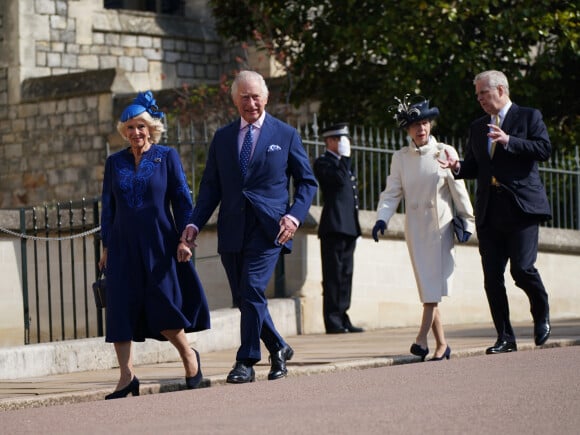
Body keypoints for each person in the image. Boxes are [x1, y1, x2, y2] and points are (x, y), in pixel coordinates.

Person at [181, 70, 318, 384]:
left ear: (266, 98)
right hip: (232, 228)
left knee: (252, 288)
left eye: (256, 96)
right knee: (244, 297)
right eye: (244, 97)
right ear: (235, 101)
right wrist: (193, 224)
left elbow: (307, 182)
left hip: (270, 227)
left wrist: (294, 215)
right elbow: (210, 188)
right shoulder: (223, 137)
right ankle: (278, 345)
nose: (251, 102)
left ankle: (246, 360)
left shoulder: (285, 135)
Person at [98, 91, 210, 399]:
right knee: (120, 308)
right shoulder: (114, 163)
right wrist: (106, 247)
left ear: (151, 128)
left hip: (160, 244)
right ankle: (126, 377)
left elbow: (182, 201)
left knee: (162, 304)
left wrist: (186, 238)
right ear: (124, 131)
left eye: (141, 127)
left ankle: (188, 355)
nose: (136, 133)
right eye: (130, 128)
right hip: (122, 247)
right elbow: (108, 209)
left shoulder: (167, 157)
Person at [438, 70, 552, 354]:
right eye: (477, 96)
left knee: (522, 270)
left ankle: (541, 311)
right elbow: (475, 167)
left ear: (501, 90)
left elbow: (543, 149)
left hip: (521, 209)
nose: (479, 100)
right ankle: (505, 337)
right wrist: (457, 167)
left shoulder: (528, 117)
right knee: (492, 277)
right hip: (490, 211)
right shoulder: (478, 127)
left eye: (483, 94)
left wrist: (509, 141)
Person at [372, 96, 475, 361]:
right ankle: (442, 344)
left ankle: (420, 340)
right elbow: (392, 192)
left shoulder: (445, 151)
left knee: (432, 288)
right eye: (416, 125)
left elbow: (459, 190)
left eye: (425, 123)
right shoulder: (401, 158)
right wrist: (382, 218)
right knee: (426, 287)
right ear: (407, 130)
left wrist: (468, 220)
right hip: (415, 230)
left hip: (440, 228)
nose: (422, 129)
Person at [313, 123, 364, 334]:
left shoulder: (343, 163)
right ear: (330, 141)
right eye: (341, 139)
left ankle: (343, 316)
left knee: (346, 274)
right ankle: (332, 320)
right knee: (333, 275)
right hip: (333, 226)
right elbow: (338, 182)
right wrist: (345, 158)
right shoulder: (323, 163)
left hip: (349, 227)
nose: (345, 143)